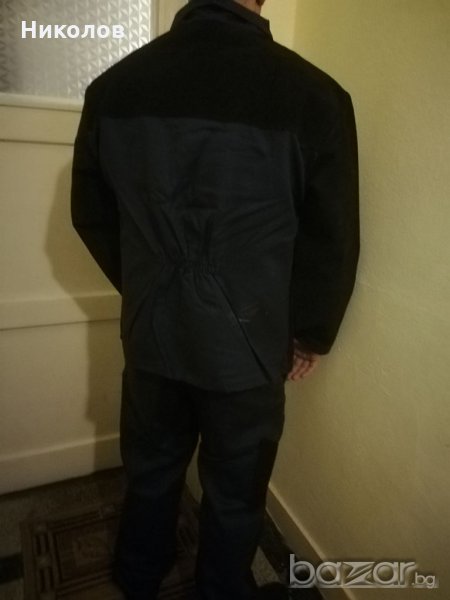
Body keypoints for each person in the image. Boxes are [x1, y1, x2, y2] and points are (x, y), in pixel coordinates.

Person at [70, 0, 359, 598]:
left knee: (151, 466)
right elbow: (332, 235)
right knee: (236, 489)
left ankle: (137, 575)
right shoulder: (314, 95)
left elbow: (91, 214)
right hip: (250, 343)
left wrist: (148, 285)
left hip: (153, 328)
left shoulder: (115, 87)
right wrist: (310, 331)